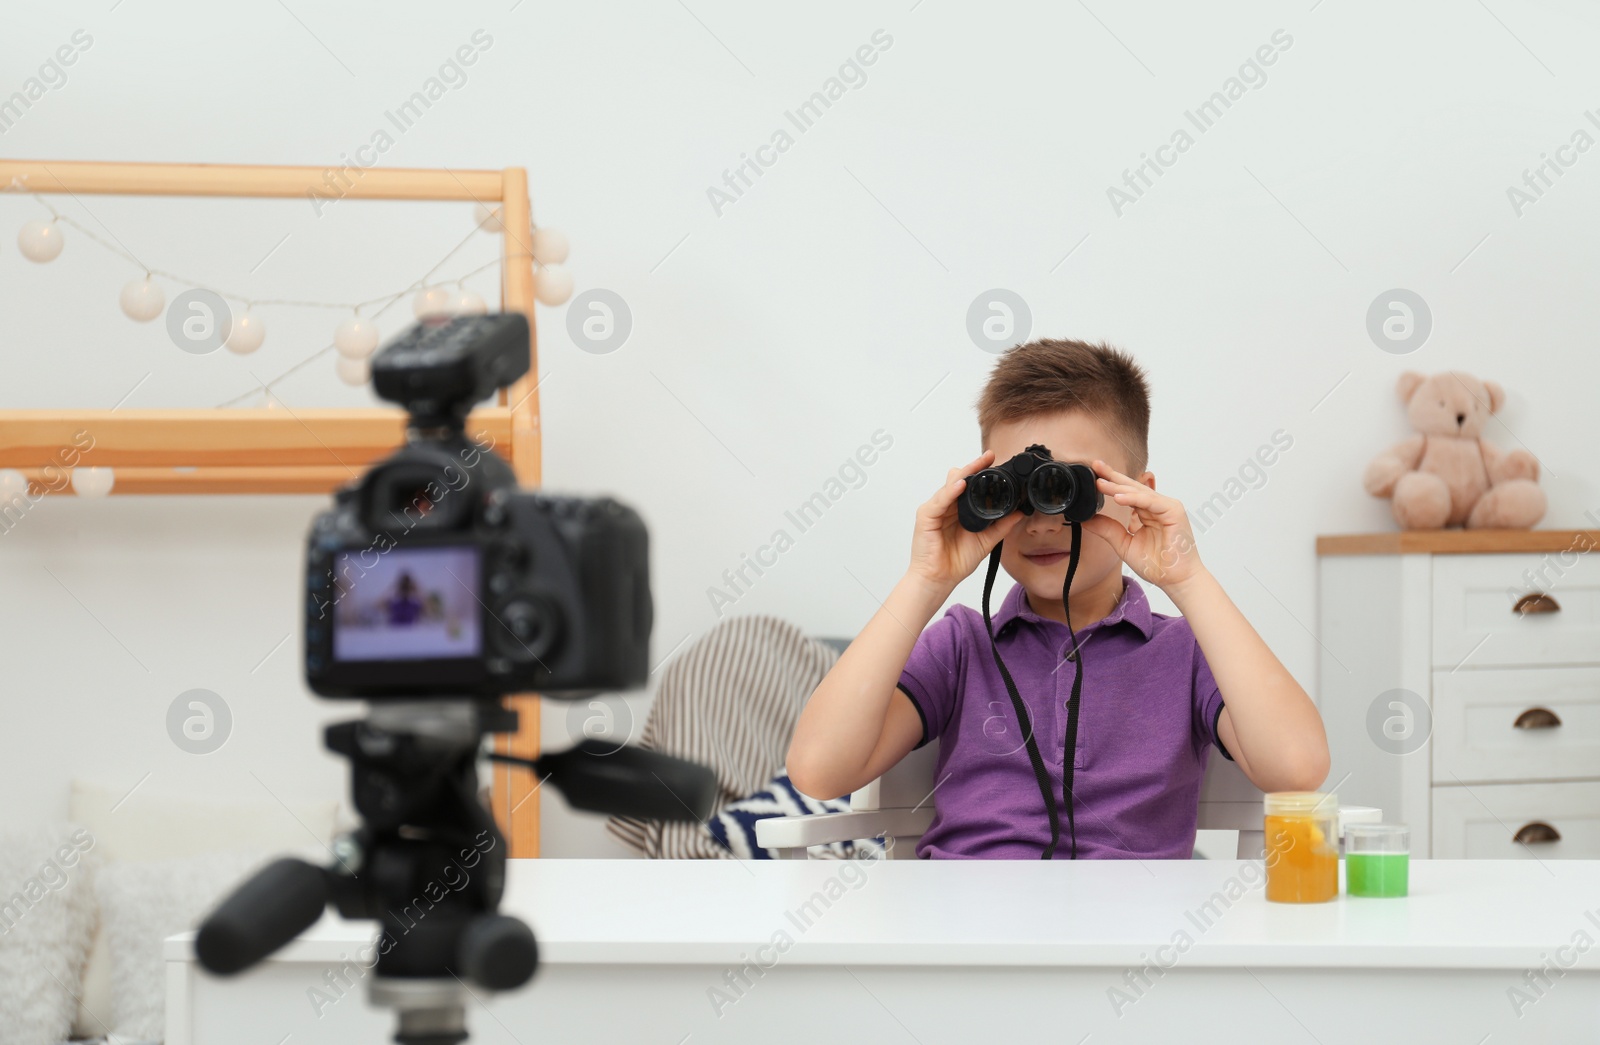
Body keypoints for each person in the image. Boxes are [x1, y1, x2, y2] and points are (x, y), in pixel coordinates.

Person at [786, 338, 1329, 859]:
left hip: (1131, 936)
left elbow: (1297, 767)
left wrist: (1187, 578)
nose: (1041, 523)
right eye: (1014, 494)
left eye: (1065, 488)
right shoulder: (961, 645)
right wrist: (925, 580)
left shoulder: (1187, 653)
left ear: (1135, 494)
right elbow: (818, 770)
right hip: (968, 926)